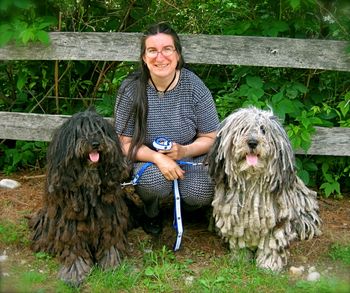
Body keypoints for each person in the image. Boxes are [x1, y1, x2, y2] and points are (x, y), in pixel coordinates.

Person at [114, 22, 219, 236]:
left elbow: (211, 136)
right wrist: (158, 158)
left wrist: (184, 151)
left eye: (167, 49)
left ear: (178, 54)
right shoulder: (131, 90)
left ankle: (187, 209)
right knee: (153, 182)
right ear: (144, 57)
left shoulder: (194, 86)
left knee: (200, 191)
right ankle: (151, 211)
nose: (159, 57)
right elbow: (122, 142)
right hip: (146, 158)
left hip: (189, 156)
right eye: (152, 50)